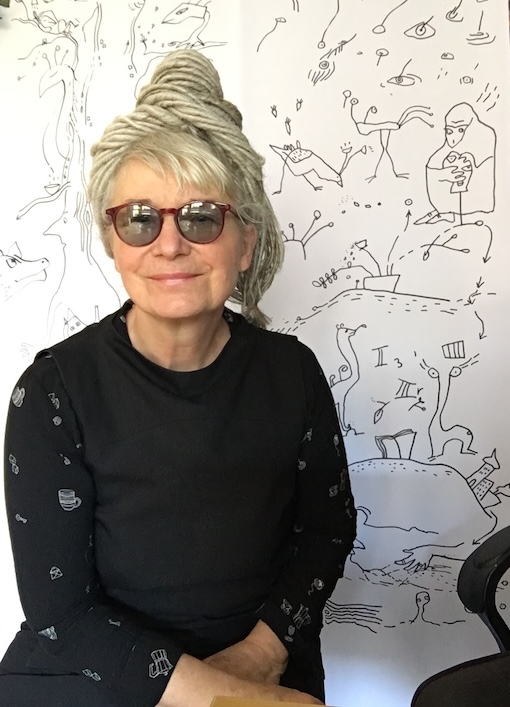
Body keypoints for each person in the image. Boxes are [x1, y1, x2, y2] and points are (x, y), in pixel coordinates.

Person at [0, 49, 356, 707]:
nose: (169, 244)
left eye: (201, 216)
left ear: (245, 243)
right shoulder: (52, 393)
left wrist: (256, 662)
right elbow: (62, 611)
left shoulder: (293, 373)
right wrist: (227, 699)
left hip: (264, 663)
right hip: (93, 675)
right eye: (140, 217)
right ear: (113, 242)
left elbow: (326, 531)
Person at [414, 102, 496, 226]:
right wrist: (442, 175)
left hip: (473, 201)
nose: (453, 137)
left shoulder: (485, 136)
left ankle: (453, 213)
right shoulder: (447, 148)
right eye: (449, 131)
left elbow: (484, 174)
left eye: (460, 130)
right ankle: (446, 212)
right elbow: (433, 165)